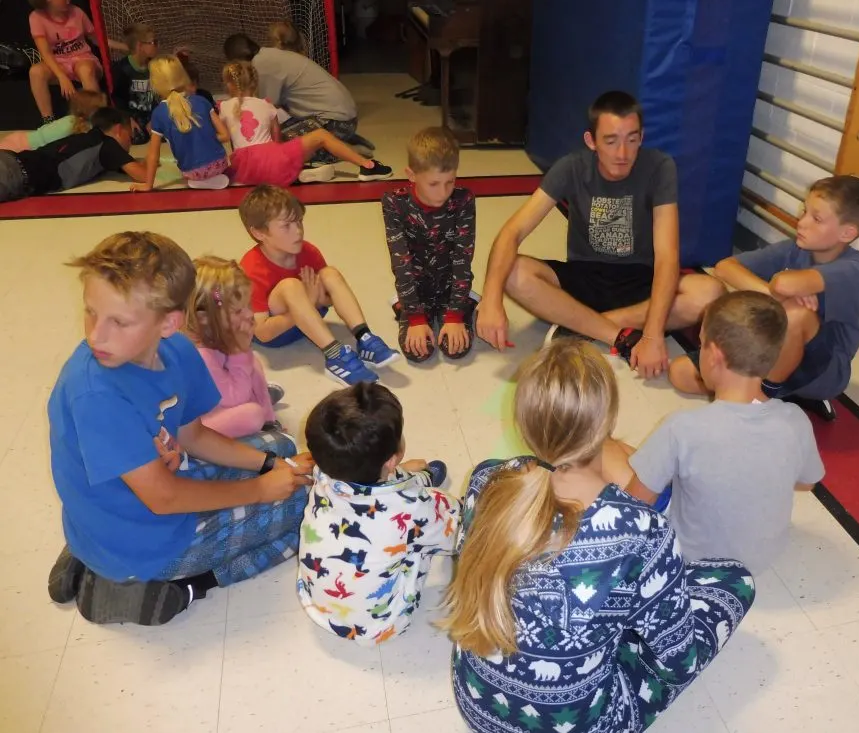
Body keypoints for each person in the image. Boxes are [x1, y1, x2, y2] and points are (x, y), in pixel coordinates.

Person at [441, 339, 755, 732]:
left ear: (523, 423)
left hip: (480, 709)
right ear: (607, 424)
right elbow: (679, 665)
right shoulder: (642, 530)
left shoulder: (487, 479)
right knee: (733, 578)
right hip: (583, 725)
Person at [46, 232, 314, 626]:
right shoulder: (96, 394)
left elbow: (194, 436)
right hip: (146, 534)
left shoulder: (178, 350)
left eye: (118, 321)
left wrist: (269, 464)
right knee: (308, 508)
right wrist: (260, 489)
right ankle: (166, 584)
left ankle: (90, 552)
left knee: (282, 447)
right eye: (91, 312)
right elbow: (164, 498)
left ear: (169, 322)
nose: (95, 335)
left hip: (128, 499)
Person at [475, 90, 719, 379]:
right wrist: (491, 299)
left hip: (640, 282)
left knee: (710, 293)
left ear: (641, 137)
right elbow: (512, 231)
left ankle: (579, 326)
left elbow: (667, 256)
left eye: (632, 139)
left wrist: (652, 335)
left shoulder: (660, 167)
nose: (622, 153)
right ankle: (616, 334)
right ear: (591, 141)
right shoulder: (571, 167)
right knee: (512, 272)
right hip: (585, 277)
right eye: (611, 141)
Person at [618, 292, 825, 573]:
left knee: (610, 452)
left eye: (701, 343)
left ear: (714, 355)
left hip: (692, 560)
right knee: (655, 463)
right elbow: (806, 483)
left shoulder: (681, 427)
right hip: (762, 560)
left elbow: (634, 504)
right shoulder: (796, 420)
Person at [668, 175, 859, 421]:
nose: (802, 222)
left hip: (821, 372)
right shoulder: (795, 249)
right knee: (681, 374)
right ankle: (783, 395)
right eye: (805, 211)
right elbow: (724, 267)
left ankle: (760, 400)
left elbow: (783, 283)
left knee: (796, 312)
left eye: (816, 219)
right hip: (770, 349)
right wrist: (774, 295)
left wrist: (784, 293)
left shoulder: (854, 269)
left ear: (847, 233)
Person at [298, 383, 460, 646]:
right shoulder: (412, 508)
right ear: (392, 459)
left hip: (317, 605)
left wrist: (401, 472)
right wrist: (459, 509)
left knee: (399, 509)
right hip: (380, 625)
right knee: (435, 517)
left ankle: (407, 479)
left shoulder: (324, 474)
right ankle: (416, 483)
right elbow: (455, 538)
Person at [237, 185, 398, 384]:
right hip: (278, 334)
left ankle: (364, 337)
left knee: (330, 274)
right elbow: (263, 334)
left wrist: (318, 300)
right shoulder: (251, 269)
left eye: (299, 221)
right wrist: (309, 302)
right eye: (286, 226)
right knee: (290, 286)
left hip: (310, 321)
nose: (298, 231)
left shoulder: (308, 251)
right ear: (259, 233)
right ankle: (335, 355)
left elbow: (329, 299)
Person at [383, 126, 476, 363]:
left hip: (450, 287)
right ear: (411, 174)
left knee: (455, 349)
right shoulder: (394, 203)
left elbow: (462, 258)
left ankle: (468, 301)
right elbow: (401, 263)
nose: (443, 192)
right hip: (416, 288)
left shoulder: (463, 200)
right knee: (418, 352)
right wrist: (415, 318)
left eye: (450, 182)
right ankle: (402, 304)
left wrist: (455, 314)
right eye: (434, 184)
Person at [218, 60, 390, 186]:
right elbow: (277, 141)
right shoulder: (267, 105)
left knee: (274, 161)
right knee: (321, 136)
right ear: (255, 82)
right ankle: (367, 166)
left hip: (243, 169)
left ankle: (298, 174)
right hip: (271, 162)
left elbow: (232, 144)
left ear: (228, 84)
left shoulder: (223, 106)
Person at [222, 33, 381, 168]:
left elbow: (261, 110)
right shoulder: (268, 55)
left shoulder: (262, 66)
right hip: (341, 116)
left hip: (336, 120)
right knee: (278, 134)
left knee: (281, 147)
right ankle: (343, 139)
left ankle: (344, 150)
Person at [185, 256, 285, 439]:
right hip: (200, 423)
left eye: (248, 305)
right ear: (204, 318)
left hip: (225, 394)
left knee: (253, 362)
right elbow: (235, 398)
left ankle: (267, 420)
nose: (249, 314)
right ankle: (260, 417)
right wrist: (239, 350)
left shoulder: (217, 332)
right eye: (238, 310)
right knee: (252, 415)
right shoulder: (201, 356)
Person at [27, 0, 126, 123]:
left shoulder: (77, 13)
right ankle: (48, 120)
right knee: (35, 72)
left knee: (85, 69)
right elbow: (45, 53)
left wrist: (125, 47)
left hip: (83, 59)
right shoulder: (36, 17)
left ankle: (96, 119)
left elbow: (97, 39)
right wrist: (61, 76)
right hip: (58, 63)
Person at [1, 107, 145, 203]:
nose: (130, 144)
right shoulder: (108, 144)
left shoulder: (91, 139)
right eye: (129, 137)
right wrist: (152, 158)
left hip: (13, 161)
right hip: (17, 174)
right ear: (119, 130)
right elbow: (143, 175)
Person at [134, 55, 230, 191]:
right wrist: (204, 137)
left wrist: (148, 185)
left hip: (193, 172)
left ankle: (200, 182)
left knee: (188, 170)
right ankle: (211, 178)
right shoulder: (202, 101)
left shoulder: (158, 113)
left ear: (155, 83)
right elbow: (225, 135)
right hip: (220, 163)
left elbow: (154, 156)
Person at [0, 88, 107, 152]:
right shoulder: (77, 124)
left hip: (23, 139)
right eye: (102, 109)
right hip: (21, 145)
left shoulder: (74, 121)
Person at [110, 23, 159, 145]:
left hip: (152, 114)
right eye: (153, 42)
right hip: (134, 116)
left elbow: (161, 96)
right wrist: (128, 119)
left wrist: (156, 117)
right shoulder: (122, 68)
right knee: (137, 139)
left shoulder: (156, 66)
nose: (157, 46)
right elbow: (118, 98)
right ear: (140, 46)